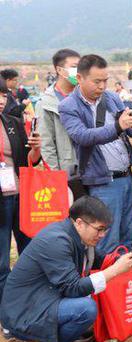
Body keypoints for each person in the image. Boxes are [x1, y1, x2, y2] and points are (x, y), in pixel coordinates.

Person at [0, 196, 132, 342]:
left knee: (87, 297)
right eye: (99, 229)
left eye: (105, 229)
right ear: (80, 223)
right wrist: (115, 271)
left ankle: (65, 332)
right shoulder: (57, 240)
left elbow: (99, 261)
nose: (103, 235)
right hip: (23, 314)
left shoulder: (78, 235)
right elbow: (72, 288)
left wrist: (124, 258)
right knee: (86, 308)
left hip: (41, 299)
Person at [58, 54, 132, 292]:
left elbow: (128, 129)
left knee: (128, 233)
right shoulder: (69, 106)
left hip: (126, 176)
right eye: (96, 81)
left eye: (105, 81)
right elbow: (83, 137)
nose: (101, 87)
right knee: (105, 237)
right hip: (102, 182)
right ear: (80, 78)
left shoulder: (110, 98)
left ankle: (126, 283)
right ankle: (108, 290)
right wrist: (118, 126)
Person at [0, 78, 42, 305]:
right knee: (1, 261)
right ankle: (8, 310)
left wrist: (35, 149)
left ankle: (30, 300)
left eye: (4, 95)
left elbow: (30, 162)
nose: (1, 100)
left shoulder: (12, 123)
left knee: (28, 251)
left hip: (20, 196)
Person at [36, 49, 81, 179]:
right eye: (74, 67)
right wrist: (56, 177)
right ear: (60, 70)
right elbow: (47, 145)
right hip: (68, 172)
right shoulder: (46, 103)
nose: (79, 71)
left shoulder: (86, 96)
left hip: (93, 170)